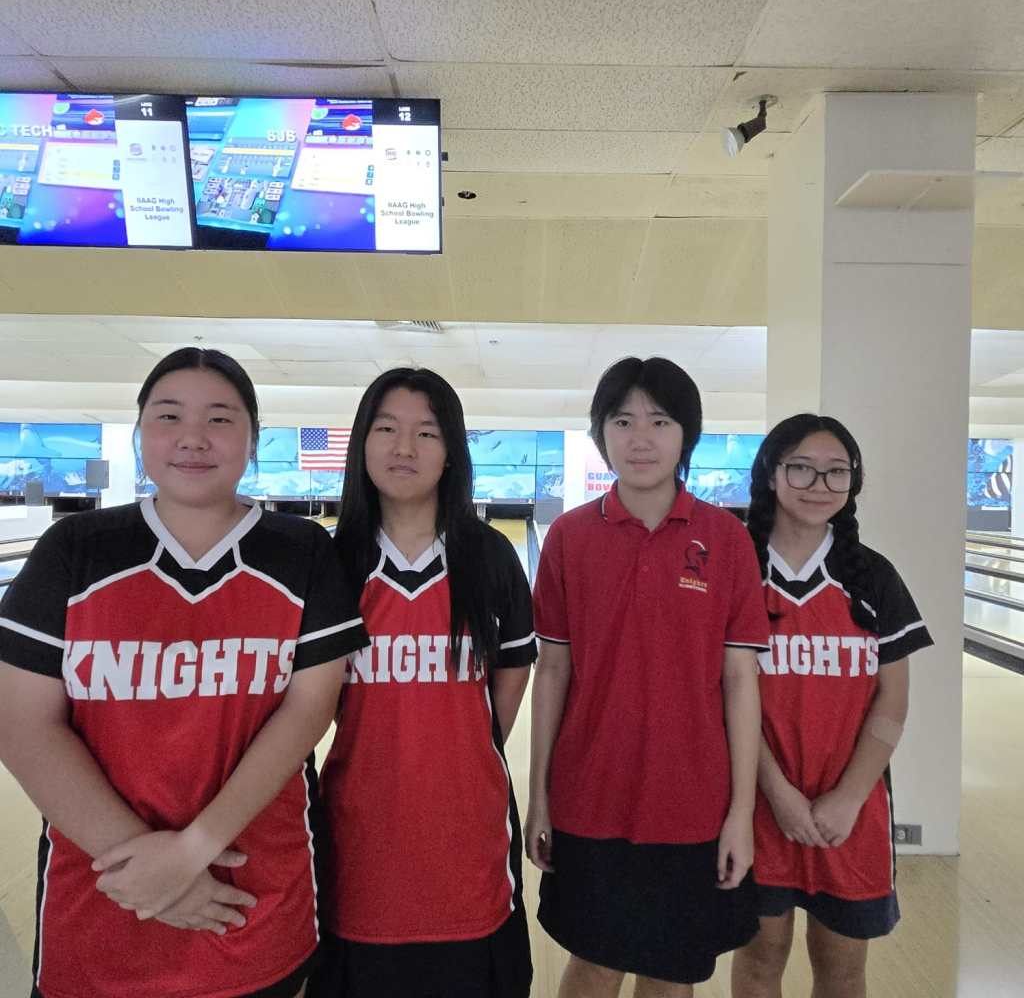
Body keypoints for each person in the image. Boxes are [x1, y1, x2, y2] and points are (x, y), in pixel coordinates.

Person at [0, 347, 368, 998]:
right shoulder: (75, 550)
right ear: (140, 429)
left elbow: (309, 710)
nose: (193, 437)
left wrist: (195, 850)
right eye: (169, 415)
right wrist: (153, 873)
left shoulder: (301, 550)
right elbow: (23, 724)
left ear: (253, 438)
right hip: (104, 896)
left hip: (254, 896)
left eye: (220, 418)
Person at [527, 356, 770, 998]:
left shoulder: (727, 539)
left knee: (670, 974)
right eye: (622, 421)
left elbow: (741, 683)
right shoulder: (569, 538)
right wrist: (539, 795)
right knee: (593, 967)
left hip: (693, 803)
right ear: (600, 434)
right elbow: (552, 671)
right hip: (589, 796)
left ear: (686, 434)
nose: (640, 438)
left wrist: (741, 814)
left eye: (659, 421)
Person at [311, 368, 535, 998]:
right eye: (386, 429)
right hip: (359, 837)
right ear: (362, 442)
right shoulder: (331, 563)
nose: (404, 447)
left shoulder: (491, 558)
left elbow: (510, 676)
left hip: (471, 836)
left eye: (427, 433)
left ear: (452, 451)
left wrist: (458, 747)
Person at [731, 414, 933, 998]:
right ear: (770, 473)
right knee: (760, 961)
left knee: (842, 968)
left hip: (851, 811)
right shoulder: (739, 571)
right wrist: (778, 793)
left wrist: (848, 798)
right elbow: (725, 694)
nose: (819, 485)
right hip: (757, 804)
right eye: (801, 468)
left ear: (853, 482)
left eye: (836, 472)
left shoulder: (872, 577)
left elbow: (893, 699)